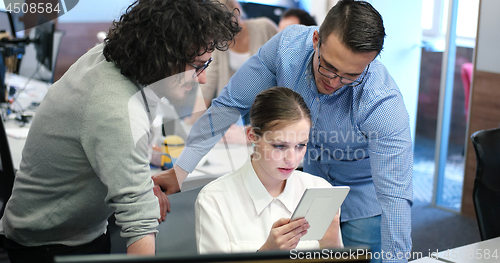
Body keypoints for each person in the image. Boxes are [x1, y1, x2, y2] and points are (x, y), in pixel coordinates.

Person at [155, 0, 413, 262]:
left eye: (350, 76)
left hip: (364, 194)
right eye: (329, 67)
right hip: (308, 187)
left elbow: (395, 197)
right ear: (315, 39)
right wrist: (181, 171)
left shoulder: (382, 103)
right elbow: (228, 106)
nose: (334, 82)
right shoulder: (287, 50)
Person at [0, 0, 240, 262]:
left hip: (68, 229)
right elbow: (140, 226)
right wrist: (138, 196)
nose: (202, 78)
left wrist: (138, 184)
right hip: (50, 245)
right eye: (197, 66)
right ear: (163, 56)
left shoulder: (114, 59)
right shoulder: (116, 109)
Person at [195, 87, 342, 253]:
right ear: (252, 136)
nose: (292, 159)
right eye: (279, 146)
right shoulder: (215, 200)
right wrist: (265, 254)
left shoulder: (320, 191)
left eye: (301, 145)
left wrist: (333, 245)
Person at [185, 0, 278, 129]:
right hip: (235, 110)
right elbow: (209, 81)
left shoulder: (265, 27)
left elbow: (283, 65)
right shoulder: (219, 41)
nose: (228, 32)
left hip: (266, 107)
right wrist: (194, 119)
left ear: (237, 10)